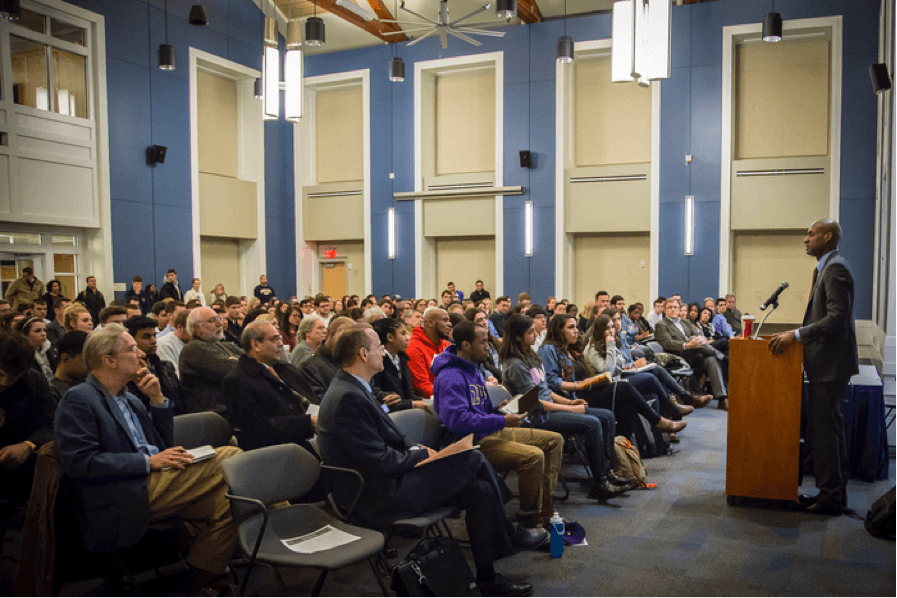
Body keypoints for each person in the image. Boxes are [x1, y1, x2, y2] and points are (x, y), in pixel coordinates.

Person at [316, 324, 543, 597]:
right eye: (377, 347)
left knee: (480, 491)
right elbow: (377, 460)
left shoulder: (356, 388)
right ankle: (510, 532)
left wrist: (416, 447)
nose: (382, 352)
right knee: (473, 458)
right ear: (363, 354)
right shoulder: (347, 397)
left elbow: (387, 443)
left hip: (389, 480)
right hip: (373, 495)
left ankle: (488, 578)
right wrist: (420, 455)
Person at [54, 324, 241, 595]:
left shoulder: (130, 398)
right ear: (109, 360)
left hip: (155, 481)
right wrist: (147, 463)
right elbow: (81, 463)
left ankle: (202, 580)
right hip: (123, 491)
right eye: (131, 349)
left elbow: (163, 446)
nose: (141, 353)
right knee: (230, 455)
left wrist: (156, 399)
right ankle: (280, 523)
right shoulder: (79, 399)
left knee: (230, 499)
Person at [435, 319, 563, 529]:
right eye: (483, 341)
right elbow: (456, 421)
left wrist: (500, 411)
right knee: (533, 456)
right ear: (466, 345)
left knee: (554, 441)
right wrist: (502, 419)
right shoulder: (451, 376)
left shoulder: (473, 369)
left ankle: (546, 514)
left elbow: (480, 412)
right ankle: (530, 520)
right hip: (470, 444)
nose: (489, 345)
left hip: (488, 432)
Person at [769, 219, 858, 516]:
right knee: (828, 432)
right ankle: (832, 494)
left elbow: (837, 318)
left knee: (826, 434)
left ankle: (830, 498)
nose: (805, 239)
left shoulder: (835, 268)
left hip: (830, 365)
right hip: (826, 364)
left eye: (811, 233)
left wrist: (796, 335)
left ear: (828, 236)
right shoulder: (827, 267)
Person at [499, 314, 632, 500]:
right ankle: (599, 483)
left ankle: (607, 472)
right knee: (592, 423)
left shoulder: (530, 357)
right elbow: (532, 402)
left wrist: (570, 402)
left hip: (549, 406)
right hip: (537, 416)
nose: (535, 335)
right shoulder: (515, 365)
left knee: (607, 416)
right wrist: (570, 409)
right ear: (518, 337)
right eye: (530, 332)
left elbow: (545, 390)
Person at [223, 321, 317, 452]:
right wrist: (308, 424)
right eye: (274, 339)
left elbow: (310, 398)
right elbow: (257, 429)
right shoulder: (237, 380)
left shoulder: (284, 369)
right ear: (256, 344)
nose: (281, 344)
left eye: (280, 338)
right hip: (281, 451)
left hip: (310, 436)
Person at [0, 333, 56, 503]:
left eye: (14, 377)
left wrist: (29, 444)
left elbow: (51, 422)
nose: (5, 382)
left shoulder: (34, 381)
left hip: (20, 477)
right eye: (1, 375)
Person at [654, 298, 729, 410]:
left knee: (711, 360)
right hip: (679, 357)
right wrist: (687, 345)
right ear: (665, 310)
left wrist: (702, 339)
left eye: (675, 307)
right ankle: (724, 358)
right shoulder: (661, 325)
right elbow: (667, 343)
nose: (673, 310)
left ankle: (722, 399)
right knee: (693, 338)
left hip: (696, 355)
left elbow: (699, 334)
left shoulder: (686, 322)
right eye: (670, 307)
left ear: (679, 309)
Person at [178, 307, 242, 415]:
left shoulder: (224, 345)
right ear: (196, 328)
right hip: (214, 413)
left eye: (219, 319)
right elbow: (235, 371)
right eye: (212, 321)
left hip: (231, 407)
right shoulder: (193, 349)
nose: (220, 324)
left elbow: (253, 359)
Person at [371, 318, 429, 412]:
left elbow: (407, 394)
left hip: (404, 410)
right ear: (390, 337)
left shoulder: (402, 358)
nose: (407, 338)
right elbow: (386, 401)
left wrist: (424, 401)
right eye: (402, 334)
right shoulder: (378, 363)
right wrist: (411, 404)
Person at [126, 316, 182, 412]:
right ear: (132, 340)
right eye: (146, 337)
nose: (153, 341)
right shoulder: (129, 375)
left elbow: (180, 401)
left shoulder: (166, 367)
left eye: (154, 335)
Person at [406, 307, 452, 398]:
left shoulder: (447, 345)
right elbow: (423, 387)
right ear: (431, 323)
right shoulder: (414, 348)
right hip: (432, 400)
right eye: (445, 320)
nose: (450, 324)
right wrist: (452, 394)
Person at [49, 331, 89, 403]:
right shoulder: (51, 392)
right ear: (65, 358)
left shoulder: (88, 382)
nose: (90, 365)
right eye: (85, 360)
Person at [16, 316, 57, 382]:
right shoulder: (22, 355)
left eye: (44, 330)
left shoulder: (50, 349)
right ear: (25, 335)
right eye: (37, 331)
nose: (43, 334)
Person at [156, 309, 191, 377]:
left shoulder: (195, 343)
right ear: (179, 327)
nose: (194, 333)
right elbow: (173, 375)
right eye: (191, 329)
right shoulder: (164, 343)